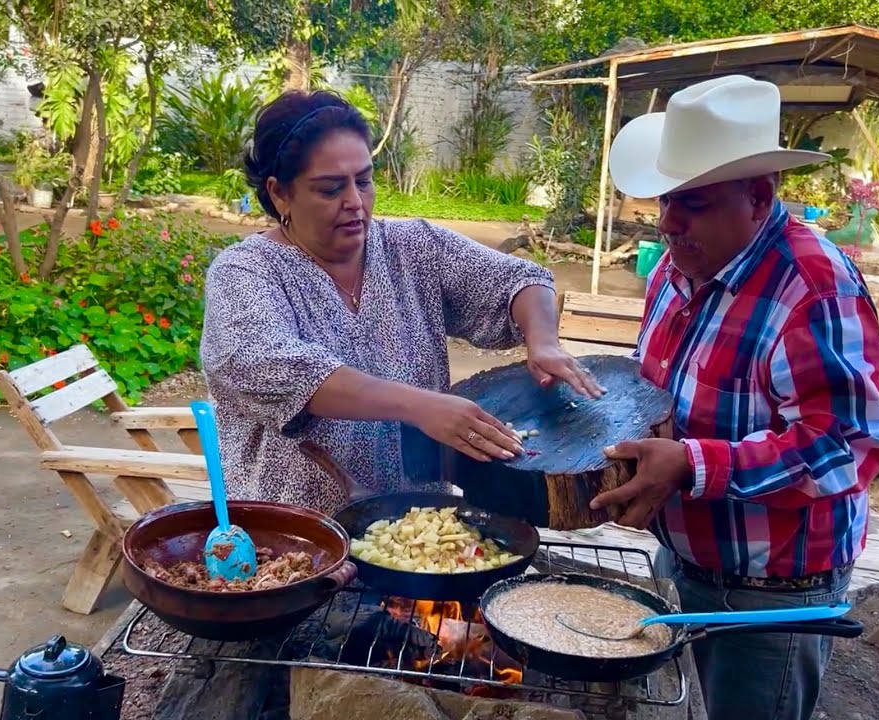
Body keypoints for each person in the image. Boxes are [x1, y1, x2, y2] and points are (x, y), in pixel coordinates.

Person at [589, 75, 879, 720]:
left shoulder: (812, 286)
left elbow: (846, 445)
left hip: (772, 586)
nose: (667, 221)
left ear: (758, 196)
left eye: (692, 202)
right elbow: (663, 395)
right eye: (665, 199)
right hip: (688, 557)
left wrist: (693, 466)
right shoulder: (677, 269)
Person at [200, 90, 602, 516]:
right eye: (330, 188)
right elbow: (268, 363)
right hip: (294, 537)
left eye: (364, 180)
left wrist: (542, 341)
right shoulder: (245, 272)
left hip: (419, 529)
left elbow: (520, 280)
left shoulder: (411, 246)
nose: (354, 202)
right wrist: (421, 405)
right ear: (280, 194)